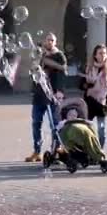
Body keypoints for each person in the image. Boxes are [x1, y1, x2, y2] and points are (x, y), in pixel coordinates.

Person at [25, 33, 67, 162]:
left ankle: (56, 149)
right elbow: (33, 71)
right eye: (47, 40)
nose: (49, 42)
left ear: (55, 42)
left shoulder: (59, 55)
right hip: (39, 95)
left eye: (52, 40)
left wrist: (60, 91)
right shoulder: (39, 55)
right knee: (36, 123)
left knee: (55, 124)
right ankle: (37, 152)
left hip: (53, 94)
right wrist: (39, 59)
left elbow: (63, 70)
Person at [55, 98, 107, 168]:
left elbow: (90, 123)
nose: (73, 117)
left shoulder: (81, 120)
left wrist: (86, 122)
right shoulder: (63, 122)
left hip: (84, 132)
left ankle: (99, 157)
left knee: (90, 135)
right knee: (75, 132)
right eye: (70, 115)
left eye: (74, 115)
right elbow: (58, 129)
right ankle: (83, 155)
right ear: (66, 116)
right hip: (71, 132)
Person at [81, 44, 107, 148]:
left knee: (101, 129)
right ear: (95, 55)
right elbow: (81, 85)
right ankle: (89, 149)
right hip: (90, 102)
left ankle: (100, 151)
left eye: (105, 53)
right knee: (87, 128)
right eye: (100, 53)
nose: (103, 55)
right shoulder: (89, 67)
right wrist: (89, 84)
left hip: (102, 103)